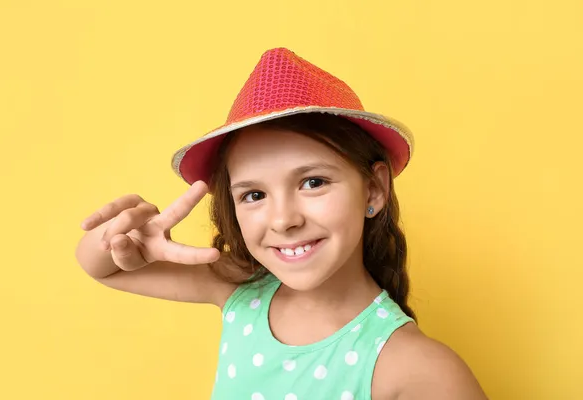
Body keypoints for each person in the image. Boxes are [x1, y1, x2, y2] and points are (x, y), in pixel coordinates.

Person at [75, 48, 487, 399]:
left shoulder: (420, 369)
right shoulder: (240, 288)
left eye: (313, 182)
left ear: (374, 190)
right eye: (254, 195)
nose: (284, 220)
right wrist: (125, 243)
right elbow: (102, 268)